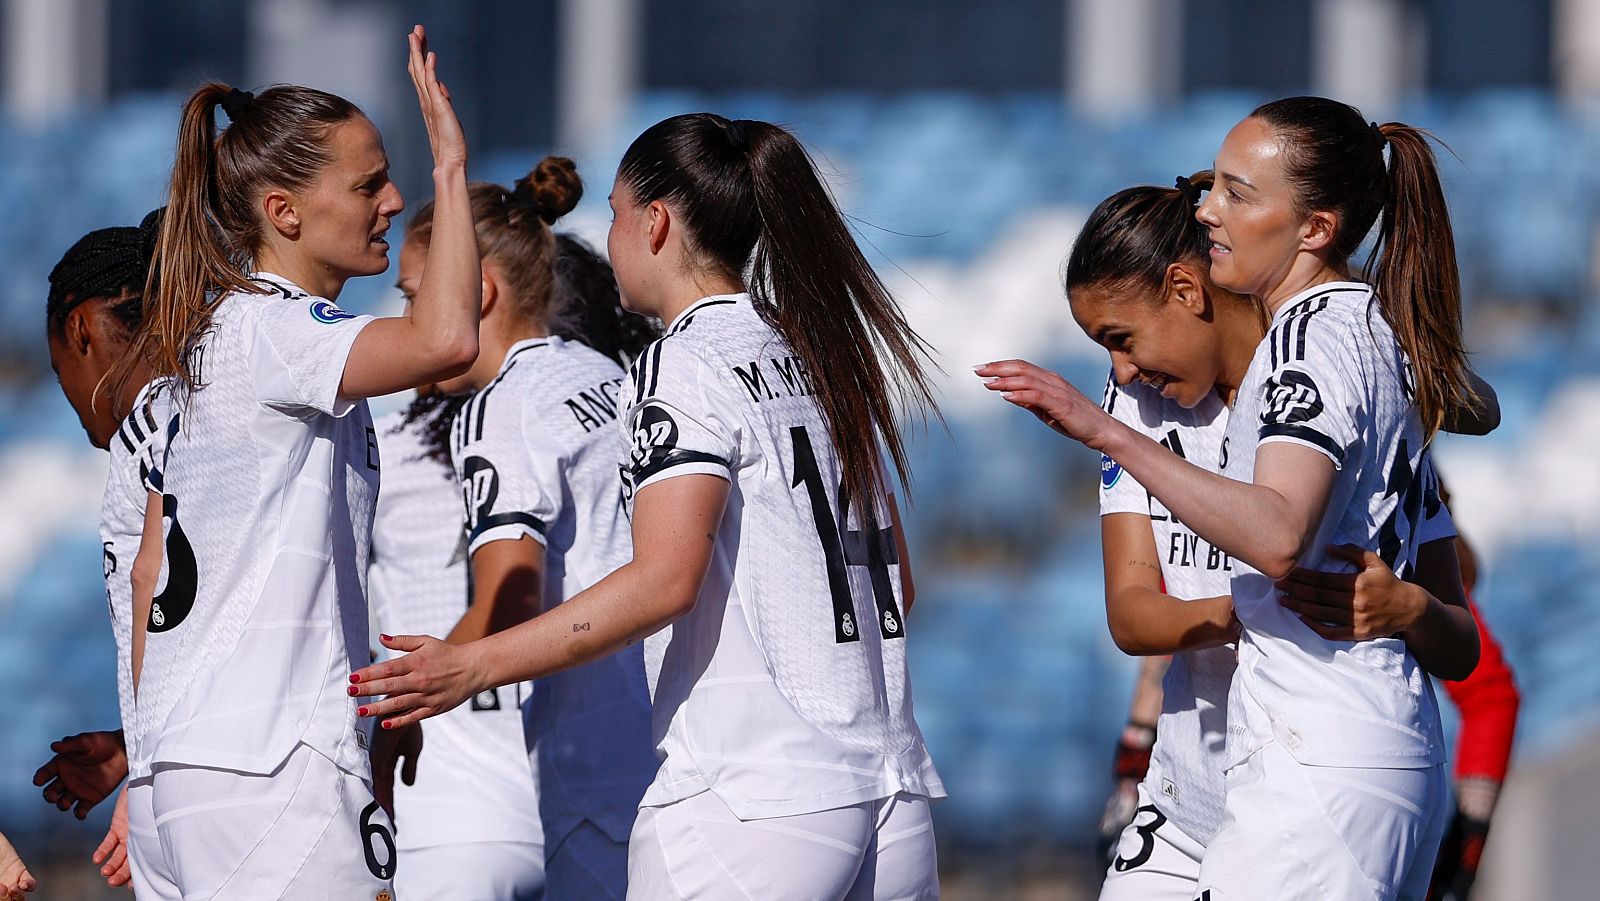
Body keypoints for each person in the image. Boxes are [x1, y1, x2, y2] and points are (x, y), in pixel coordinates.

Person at [349, 112, 945, 899]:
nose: (609, 237)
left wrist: (471, 663)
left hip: (752, 796)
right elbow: (896, 583)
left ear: (656, 224)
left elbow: (666, 580)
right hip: (892, 791)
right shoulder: (819, 346)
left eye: (617, 217)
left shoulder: (684, 358)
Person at [978, 96, 1484, 900]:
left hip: (1322, 758)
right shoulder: (1334, 333)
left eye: (1236, 194)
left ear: (1314, 228)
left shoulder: (1309, 342)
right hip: (1244, 770)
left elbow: (1279, 538)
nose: (1207, 208)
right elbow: (1137, 611)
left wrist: (1104, 435)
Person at [113, 26, 480, 894]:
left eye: (394, 177)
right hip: (276, 764)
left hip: (201, 762)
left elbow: (146, 565)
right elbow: (449, 336)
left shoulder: (227, 334)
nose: (393, 200)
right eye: (368, 184)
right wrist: (452, 168)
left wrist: (154, 747)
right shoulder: (279, 328)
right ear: (284, 212)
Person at [373, 157, 660, 899]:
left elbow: (510, 598)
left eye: (415, 297)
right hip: (663, 750)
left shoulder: (500, 406)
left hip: (587, 765)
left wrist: (418, 692)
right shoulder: (611, 380)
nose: (409, 323)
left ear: (478, 292)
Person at [33, 209, 176, 896]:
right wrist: (137, 751)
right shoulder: (187, 417)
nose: (62, 389)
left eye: (57, 366)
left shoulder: (155, 438)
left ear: (79, 330)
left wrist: (154, 765)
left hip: (245, 808)